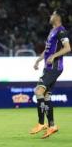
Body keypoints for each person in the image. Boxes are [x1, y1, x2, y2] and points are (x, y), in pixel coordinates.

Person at [30, 9, 71, 139]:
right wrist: (38, 60)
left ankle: (41, 123)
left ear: (57, 17)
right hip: (48, 67)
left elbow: (68, 48)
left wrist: (54, 56)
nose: (50, 16)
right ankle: (52, 126)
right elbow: (47, 50)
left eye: (52, 14)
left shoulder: (61, 30)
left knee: (38, 91)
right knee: (46, 96)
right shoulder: (52, 31)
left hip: (54, 67)